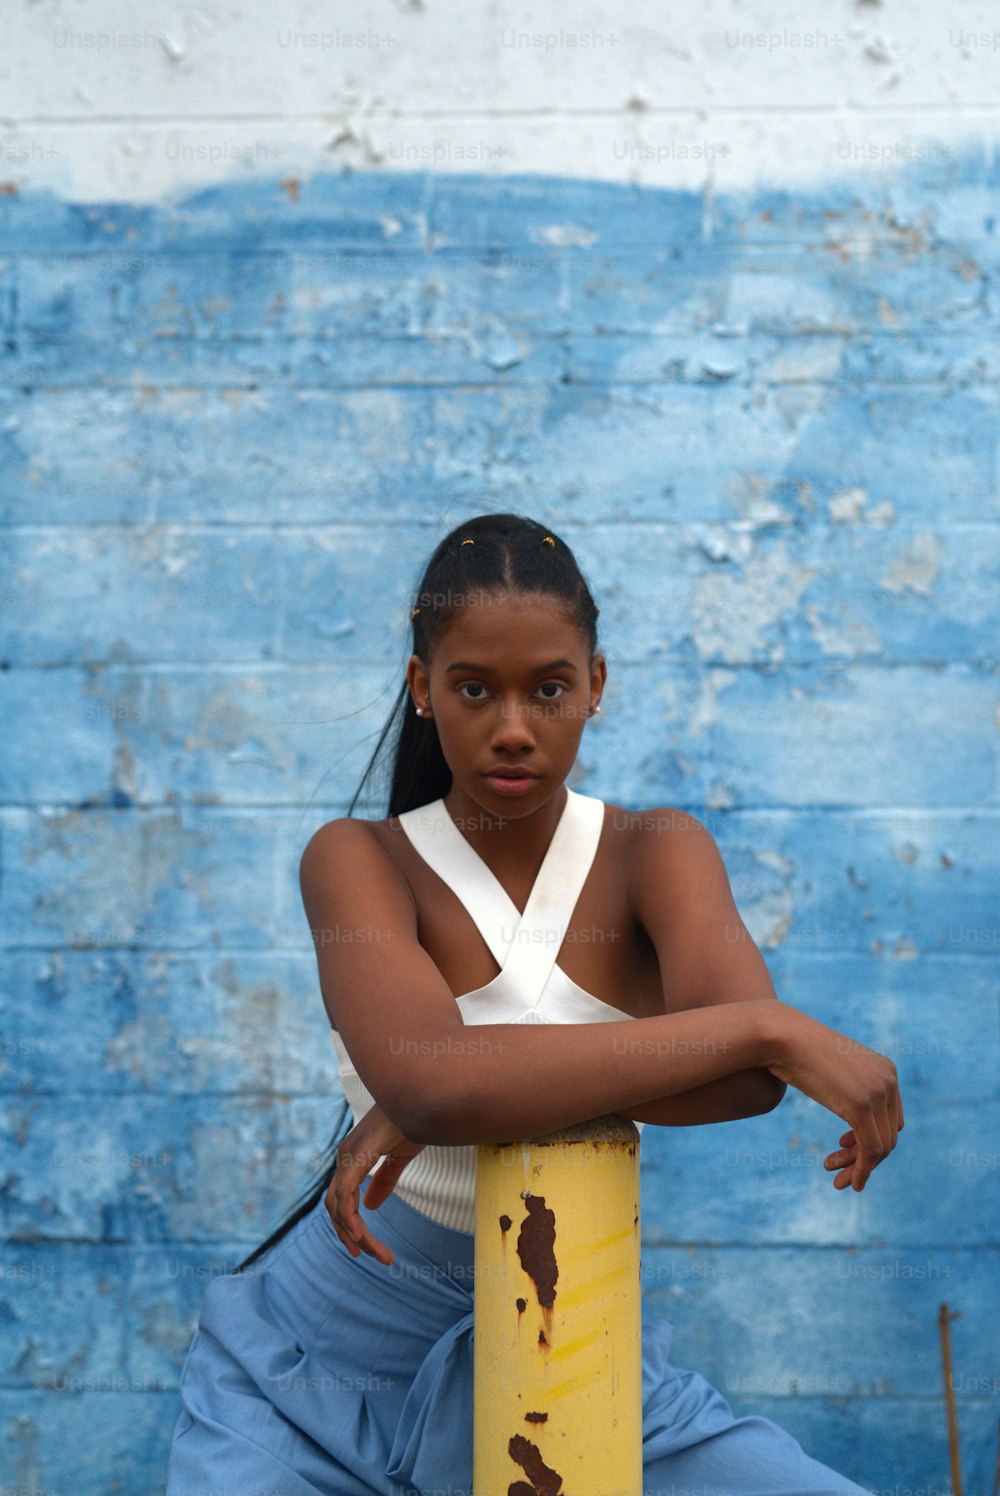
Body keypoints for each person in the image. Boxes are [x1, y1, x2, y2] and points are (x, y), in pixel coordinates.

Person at [166, 511, 902, 1496]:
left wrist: (475, 1079)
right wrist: (769, 1024)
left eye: (548, 687)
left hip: (576, 1352)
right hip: (310, 1380)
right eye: (474, 688)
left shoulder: (656, 851)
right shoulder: (358, 860)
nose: (513, 725)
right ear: (423, 688)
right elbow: (435, 1086)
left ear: (595, 685)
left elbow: (742, 1087)